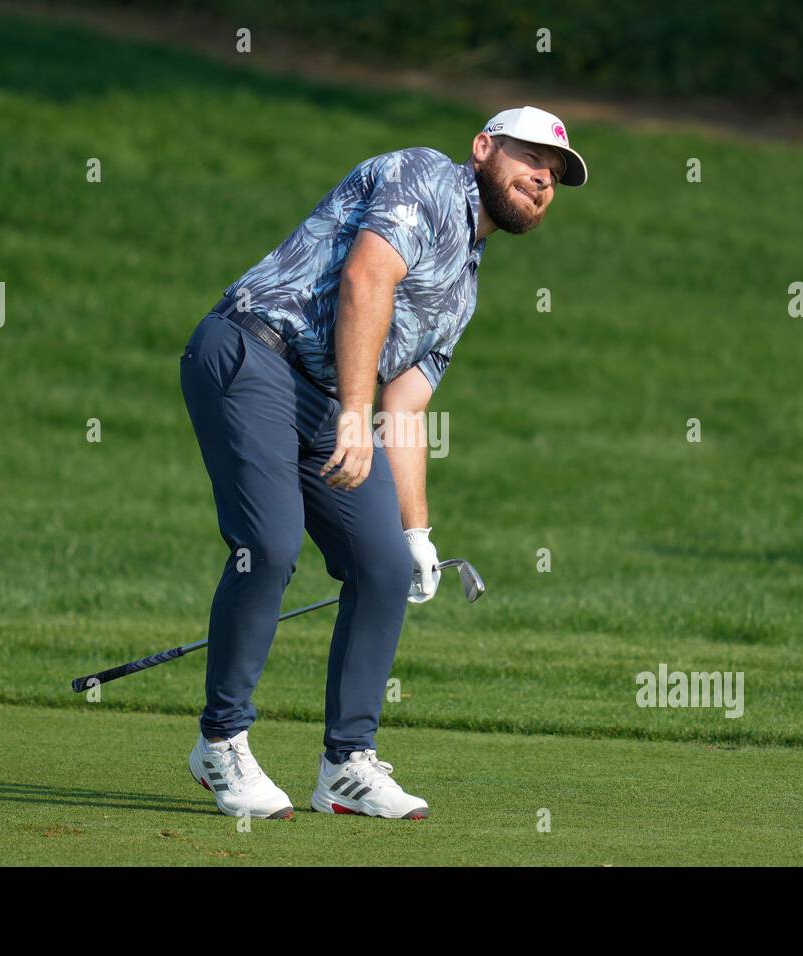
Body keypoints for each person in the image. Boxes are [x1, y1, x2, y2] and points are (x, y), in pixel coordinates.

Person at [180, 106, 588, 820]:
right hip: (251, 354)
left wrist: (416, 532)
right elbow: (365, 281)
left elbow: (403, 408)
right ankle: (220, 743)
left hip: (328, 401)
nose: (542, 180)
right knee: (269, 547)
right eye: (530, 159)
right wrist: (349, 413)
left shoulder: (463, 287)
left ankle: (346, 766)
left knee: (384, 567)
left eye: (553, 176)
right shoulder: (424, 175)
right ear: (483, 148)